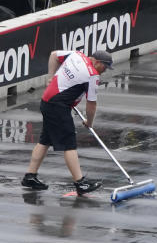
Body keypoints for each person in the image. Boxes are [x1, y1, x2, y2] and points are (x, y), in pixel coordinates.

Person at [22, 50, 113, 195]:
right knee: (69, 144)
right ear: (97, 62)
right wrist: (89, 122)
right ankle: (80, 183)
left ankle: (30, 177)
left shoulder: (76, 55)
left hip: (47, 102)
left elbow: (53, 55)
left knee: (45, 140)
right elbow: (92, 104)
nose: (105, 71)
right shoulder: (92, 75)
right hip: (58, 107)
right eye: (105, 67)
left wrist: (50, 77)